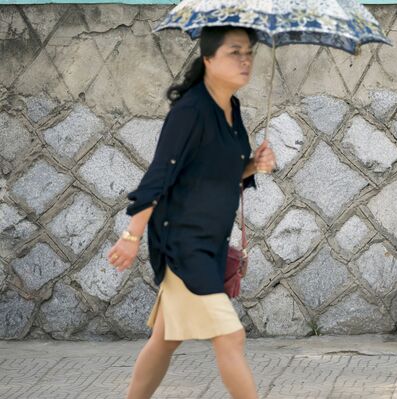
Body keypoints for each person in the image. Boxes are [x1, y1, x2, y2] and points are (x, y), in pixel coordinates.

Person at [107, 26, 276, 399]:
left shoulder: (230, 107)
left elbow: (216, 171)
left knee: (166, 339)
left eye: (249, 52)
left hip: (211, 242)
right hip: (184, 244)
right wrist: (131, 236)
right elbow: (160, 176)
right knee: (231, 336)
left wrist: (252, 166)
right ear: (208, 60)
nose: (245, 60)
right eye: (235, 52)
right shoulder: (190, 112)